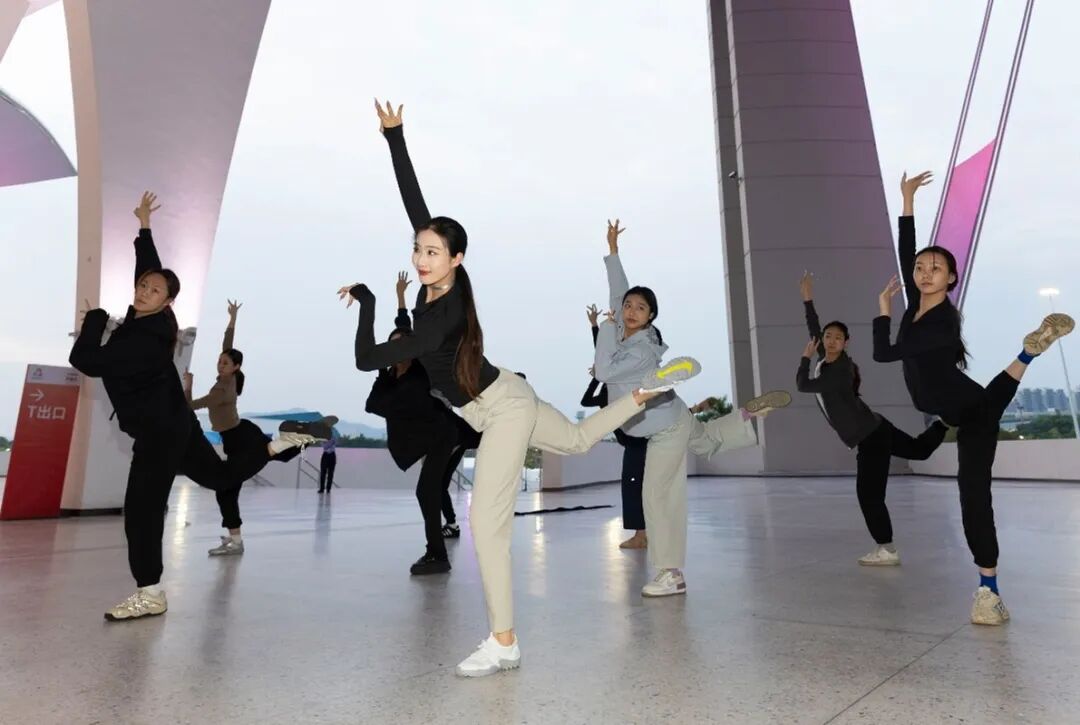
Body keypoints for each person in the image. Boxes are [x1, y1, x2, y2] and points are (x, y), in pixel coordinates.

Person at [343, 100, 700, 677]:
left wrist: (368, 304)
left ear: (457, 259)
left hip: (501, 408)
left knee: (486, 526)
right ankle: (641, 395)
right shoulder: (446, 285)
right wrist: (395, 137)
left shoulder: (439, 317)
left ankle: (503, 641)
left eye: (433, 252)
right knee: (579, 441)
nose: (422, 258)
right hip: (507, 392)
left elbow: (366, 358)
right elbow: (418, 207)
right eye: (418, 250)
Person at [69, 192, 322, 621]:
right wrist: (144, 226)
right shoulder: (153, 319)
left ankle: (150, 593)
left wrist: (94, 321)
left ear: (168, 302)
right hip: (177, 423)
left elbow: (86, 360)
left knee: (142, 511)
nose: (144, 291)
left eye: (154, 291)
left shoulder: (144, 338)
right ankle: (276, 446)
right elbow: (148, 268)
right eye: (143, 286)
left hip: (159, 432)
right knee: (219, 476)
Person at [873, 171, 1075, 625]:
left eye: (936, 269)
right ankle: (1028, 353)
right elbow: (907, 251)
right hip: (955, 405)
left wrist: (882, 313)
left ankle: (989, 591)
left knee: (973, 495)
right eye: (920, 269)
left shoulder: (941, 323)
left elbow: (883, 353)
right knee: (988, 399)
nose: (925, 273)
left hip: (970, 413)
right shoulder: (916, 307)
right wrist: (907, 201)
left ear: (951, 279)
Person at [594, 218, 792, 600]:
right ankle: (748, 415)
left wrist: (603, 328)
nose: (631, 310)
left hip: (663, 427)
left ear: (651, 318)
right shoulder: (624, 331)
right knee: (705, 441)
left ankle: (671, 573)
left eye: (641, 308)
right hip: (673, 413)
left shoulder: (641, 349)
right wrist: (614, 252)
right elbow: (618, 290)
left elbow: (603, 370)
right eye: (628, 306)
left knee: (658, 494)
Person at [795, 271, 947, 565]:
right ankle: (944, 422)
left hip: (870, 437)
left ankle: (887, 550)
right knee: (918, 450)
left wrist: (803, 358)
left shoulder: (837, 372)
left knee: (869, 496)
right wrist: (807, 299)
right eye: (828, 336)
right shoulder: (827, 361)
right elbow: (814, 328)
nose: (831, 341)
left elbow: (803, 385)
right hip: (876, 426)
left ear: (846, 343)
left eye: (838, 338)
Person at [184, 301, 326, 556]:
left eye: (225, 363)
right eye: (220, 362)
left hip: (241, 439)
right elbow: (228, 345)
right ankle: (308, 436)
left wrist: (188, 385)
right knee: (228, 489)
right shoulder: (231, 377)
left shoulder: (222, 389)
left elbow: (191, 406)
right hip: (240, 435)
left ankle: (305, 435)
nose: (220, 365)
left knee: (258, 460)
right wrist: (232, 319)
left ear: (236, 367)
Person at [365, 271, 482, 574]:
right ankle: (437, 552)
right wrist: (400, 299)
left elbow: (410, 330)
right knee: (429, 490)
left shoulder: (422, 370)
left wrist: (411, 299)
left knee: (427, 490)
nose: (397, 350)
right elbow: (373, 404)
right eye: (392, 346)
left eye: (402, 345)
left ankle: (437, 554)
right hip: (422, 440)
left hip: (443, 434)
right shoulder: (388, 379)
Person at [580, 303, 649, 549]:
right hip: (636, 442)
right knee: (640, 487)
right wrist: (595, 378)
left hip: (639, 441)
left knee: (634, 487)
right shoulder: (606, 393)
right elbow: (603, 354)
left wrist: (597, 328)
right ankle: (646, 533)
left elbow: (606, 354)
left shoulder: (620, 384)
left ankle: (642, 535)